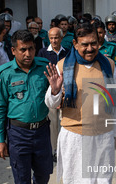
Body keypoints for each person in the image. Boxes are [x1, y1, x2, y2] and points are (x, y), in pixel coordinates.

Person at [44, 22, 116, 184]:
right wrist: (55, 90)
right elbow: (51, 104)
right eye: (84, 44)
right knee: (76, 177)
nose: (90, 48)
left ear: (99, 42)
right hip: (73, 134)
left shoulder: (108, 64)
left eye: (94, 43)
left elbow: (115, 99)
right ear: (75, 44)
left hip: (102, 134)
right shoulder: (61, 66)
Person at [0, 30, 53, 184]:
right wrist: (0, 139)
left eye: (31, 49)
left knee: (45, 172)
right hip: (18, 133)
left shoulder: (44, 66)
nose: (28, 53)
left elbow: (55, 93)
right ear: (13, 50)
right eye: (23, 49)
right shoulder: (5, 73)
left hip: (42, 130)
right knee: (21, 176)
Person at [38, 27, 68, 162]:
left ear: (61, 38)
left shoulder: (67, 52)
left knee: (64, 122)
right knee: (52, 123)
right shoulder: (43, 53)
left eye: (56, 37)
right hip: (50, 93)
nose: (54, 40)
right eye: (51, 38)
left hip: (65, 93)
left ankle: (63, 150)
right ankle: (54, 150)